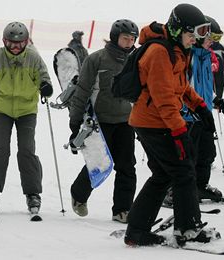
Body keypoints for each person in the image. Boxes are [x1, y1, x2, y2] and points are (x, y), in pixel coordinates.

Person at [124, 4, 218, 246]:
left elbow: (181, 86)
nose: (193, 41)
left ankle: (136, 229)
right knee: (184, 172)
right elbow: (163, 97)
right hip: (153, 123)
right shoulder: (158, 52)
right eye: (191, 35)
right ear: (177, 30)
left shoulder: (177, 50)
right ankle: (188, 229)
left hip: (156, 121)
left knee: (164, 174)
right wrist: (180, 132)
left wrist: (200, 107)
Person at [0, 21, 53, 214]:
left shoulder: (33, 57)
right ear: (5, 42)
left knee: (26, 150)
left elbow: (43, 76)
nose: (16, 47)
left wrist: (46, 87)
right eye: (12, 43)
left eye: (20, 43)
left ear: (26, 42)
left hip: (26, 111)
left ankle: (33, 194)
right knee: (0, 149)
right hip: (2, 110)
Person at [68, 19, 138, 223]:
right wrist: (75, 122)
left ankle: (123, 210)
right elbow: (82, 91)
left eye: (132, 39)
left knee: (127, 166)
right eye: (125, 38)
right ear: (115, 37)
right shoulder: (97, 59)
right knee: (98, 163)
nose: (129, 42)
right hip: (100, 121)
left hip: (126, 121)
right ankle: (78, 195)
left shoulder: (135, 60)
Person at [180, 16, 223, 202]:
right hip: (188, 116)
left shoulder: (206, 57)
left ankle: (200, 186)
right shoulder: (187, 56)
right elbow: (183, 86)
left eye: (216, 38)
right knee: (188, 155)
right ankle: (176, 190)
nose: (212, 42)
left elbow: (205, 85)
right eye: (209, 37)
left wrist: (215, 98)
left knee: (206, 153)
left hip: (203, 113)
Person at [208, 17, 224, 100]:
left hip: (219, 70)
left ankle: (217, 99)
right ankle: (215, 99)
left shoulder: (220, 47)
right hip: (213, 70)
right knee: (215, 85)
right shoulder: (208, 48)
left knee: (218, 85)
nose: (213, 41)